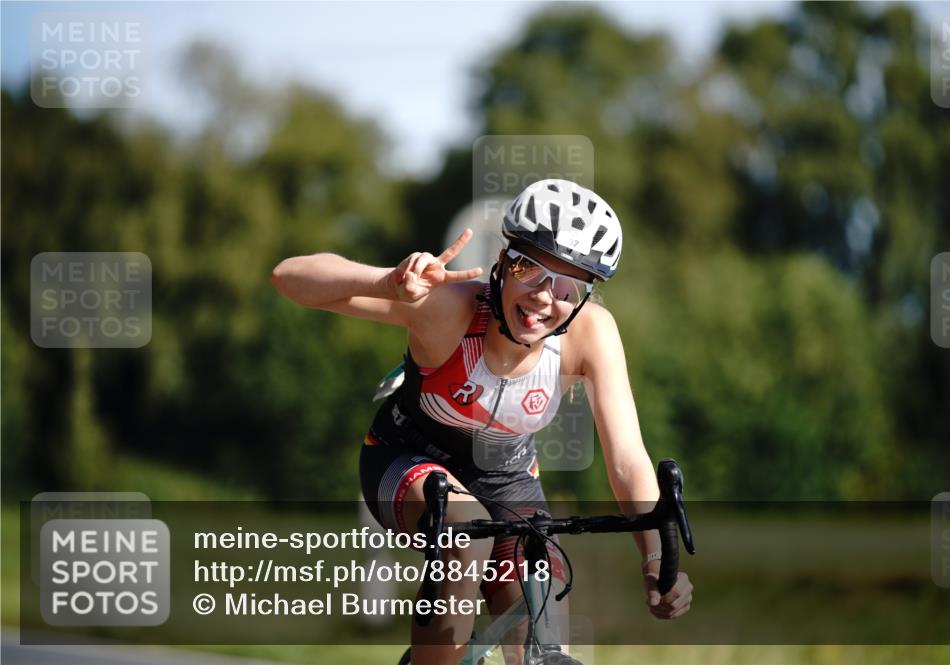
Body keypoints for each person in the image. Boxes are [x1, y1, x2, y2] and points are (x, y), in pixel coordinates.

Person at [271, 179, 693, 665]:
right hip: (405, 458)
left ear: (583, 297)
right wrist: (386, 282)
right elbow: (288, 277)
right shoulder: (449, 308)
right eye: (529, 268)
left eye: (567, 286)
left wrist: (656, 558)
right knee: (466, 533)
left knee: (541, 631)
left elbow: (627, 460)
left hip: (507, 477)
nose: (543, 296)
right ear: (502, 262)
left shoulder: (591, 333)